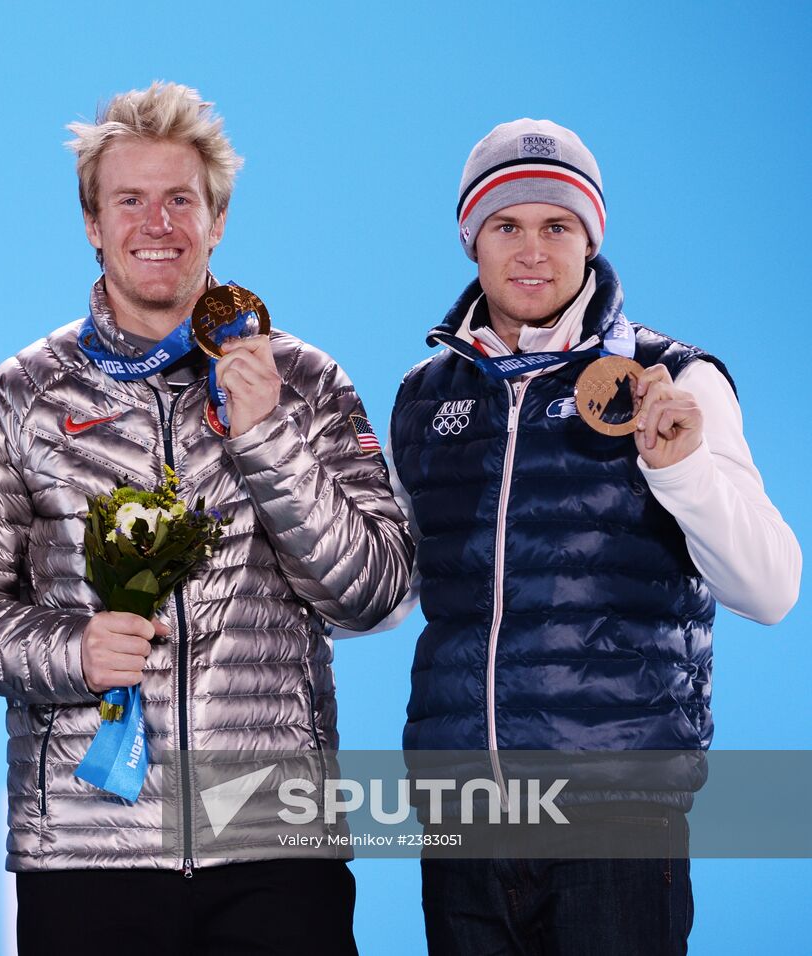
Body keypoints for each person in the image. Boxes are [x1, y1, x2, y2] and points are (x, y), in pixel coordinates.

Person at [0, 81, 414, 955]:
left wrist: (267, 437)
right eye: (131, 200)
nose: (158, 223)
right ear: (92, 223)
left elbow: (375, 592)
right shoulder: (19, 398)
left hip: (273, 845)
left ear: (217, 220)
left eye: (181, 200)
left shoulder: (306, 382)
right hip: (85, 850)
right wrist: (68, 651)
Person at [374, 118, 801, 954]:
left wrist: (681, 472)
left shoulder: (674, 377)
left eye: (556, 226)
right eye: (507, 226)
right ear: (472, 239)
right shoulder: (423, 395)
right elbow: (384, 600)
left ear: (590, 238)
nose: (532, 250)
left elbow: (772, 588)